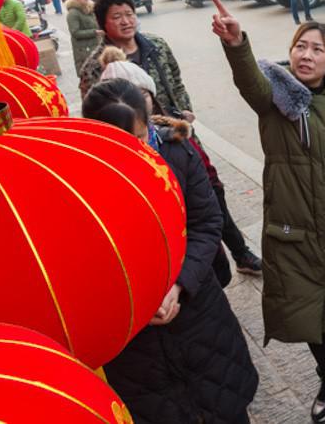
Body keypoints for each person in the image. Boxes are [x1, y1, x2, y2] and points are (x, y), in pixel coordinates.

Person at [210, 0, 325, 423]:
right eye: (300, 47)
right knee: (308, 307)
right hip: (291, 227)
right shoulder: (274, 99)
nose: (307, 55)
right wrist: (237, 45)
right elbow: (250, 80)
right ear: (291, 53)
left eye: (318, 49)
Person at [83, 79, 258, 424]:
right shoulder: (79, 183)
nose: (134, 149)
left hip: (199, 314)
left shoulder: (177, 152)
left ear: (148, 120)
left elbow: (207, 223)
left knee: (225, 403)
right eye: (118, 142)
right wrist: (136, 304)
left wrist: (178, 284)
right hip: (135, 342)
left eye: (138, 136)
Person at [98, 46, 264, 279]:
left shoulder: (175, 138)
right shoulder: (108, 166)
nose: (136, 105)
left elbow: (206, 218)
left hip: (200, 250)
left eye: (142, 94)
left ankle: (239, 255)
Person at [79, 0, 192, 115]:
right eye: (117, 17)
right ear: (102, 24)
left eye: (129, 14)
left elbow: (177, 83)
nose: (126, 22)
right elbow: (95, 115)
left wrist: (185, 109)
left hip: (175, 129)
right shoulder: (95, 68)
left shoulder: (157, 44)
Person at [65, 0, 101, 75]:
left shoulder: (90, 9)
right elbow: (75, 33)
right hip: (83, 50)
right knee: (88, 74)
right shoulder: (73, 13)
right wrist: (94, 32)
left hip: (95, 45)